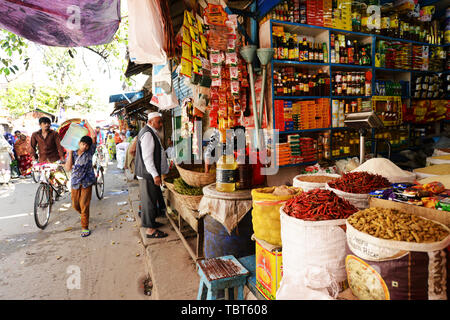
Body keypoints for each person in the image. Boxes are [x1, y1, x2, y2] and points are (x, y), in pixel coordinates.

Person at [135, 112, 169, 239]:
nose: (161, 124)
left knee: (150, 200)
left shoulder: (149, 132)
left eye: (161, 122)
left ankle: (152, 223)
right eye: (158, 122)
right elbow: (148, 158)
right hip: (148, 174)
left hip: (147, 173)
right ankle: (150, 230)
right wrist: (155, 175)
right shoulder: (148, 134)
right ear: (150, 122)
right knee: (149, 201)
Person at [65, 135, 96, 238]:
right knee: (75, 205)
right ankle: (83, 214)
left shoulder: (89, 152)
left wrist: (87, 121)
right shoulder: (73, 153)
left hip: (87, 182)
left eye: (87, 145)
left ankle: (85, 226)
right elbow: (68, 168)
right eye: (83, 144)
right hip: (75, 182)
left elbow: (94, 135)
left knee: (84, 204)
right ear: (79, 143)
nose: (84, 147)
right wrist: (69, 152)